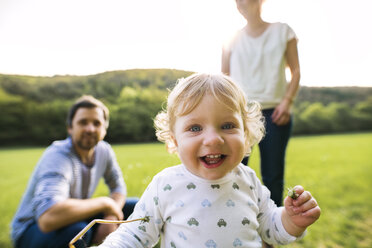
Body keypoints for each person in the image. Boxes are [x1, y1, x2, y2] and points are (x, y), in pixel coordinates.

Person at [95, 73, 320, 248]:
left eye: (228, 126)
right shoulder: (166, 185)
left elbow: (270, 227)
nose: (213, 139)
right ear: (175, 139)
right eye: (195, 128)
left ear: (246, 133)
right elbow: (135, 234)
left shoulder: (248, 179)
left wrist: (291, 220)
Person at [11, 95, 138, 248]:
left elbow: (118, 187)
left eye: (97, 123)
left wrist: (111, 215)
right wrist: (105, 203)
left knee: (137, 208)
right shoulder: (57, 155)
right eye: (83, 122)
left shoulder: (104, 151)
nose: (90, 129)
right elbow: (48, 217)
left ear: (104, 130)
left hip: (74, 218)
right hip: (30, 230)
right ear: (70, 128)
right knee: (78, 231)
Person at [221, 0, 301, 210]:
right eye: (237, 1)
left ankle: (269, 238)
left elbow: (296, 72)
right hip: (240, 115)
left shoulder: (283, 32)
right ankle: (234, 226)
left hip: (276, 113)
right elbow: (224, 79)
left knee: (273, 176)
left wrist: (287, 102)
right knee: (232, 175)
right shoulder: (231, 39)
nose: (241, 3)